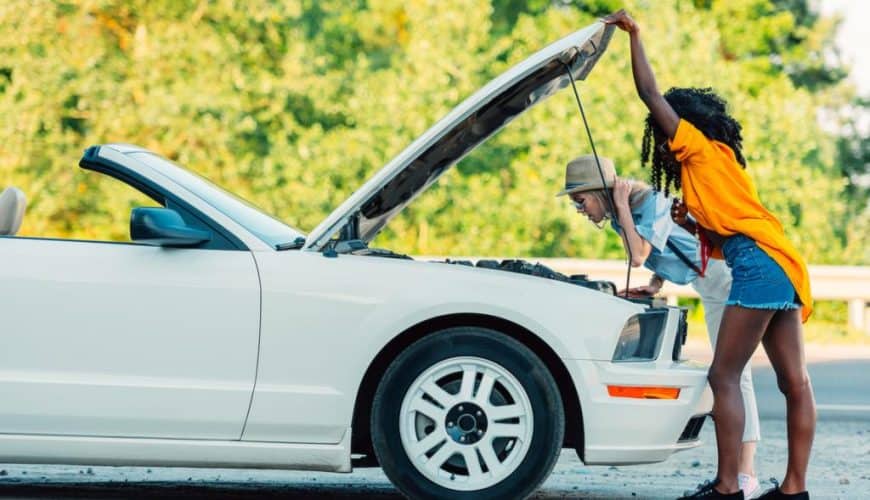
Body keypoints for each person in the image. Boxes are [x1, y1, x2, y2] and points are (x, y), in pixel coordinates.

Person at [602, 9, 815, 500]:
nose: (661, 134)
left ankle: (726, 487)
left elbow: (649, 94)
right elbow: (725, 234)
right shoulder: (720, 162)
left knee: (723, 373)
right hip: (779, 260)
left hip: (758, 264)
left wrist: (636, 36)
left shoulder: (695, 149)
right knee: (794, 381)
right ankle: (793, 491)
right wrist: (689, 224)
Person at [557, 155, 762, 498]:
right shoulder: (619, 215)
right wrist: (655, 283)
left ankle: (746, 475)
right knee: (731, 375)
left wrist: (622, 206)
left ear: (599, 191)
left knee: (735, 376)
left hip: (728, 280)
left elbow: (638, 254)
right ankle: (740, 475)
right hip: (709, 286)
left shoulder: (648, 202)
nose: (579, 209)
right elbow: (668, 247)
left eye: (580, 200)